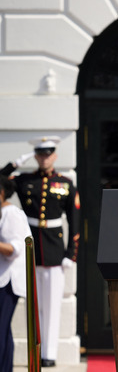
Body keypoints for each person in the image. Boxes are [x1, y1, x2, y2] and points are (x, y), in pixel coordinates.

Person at [0, 136, 80, 367]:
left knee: (52, 304)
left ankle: (49, 353)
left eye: (48, 154)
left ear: (54, 156)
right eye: (40, 154)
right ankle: (35, 349)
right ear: (35, 156)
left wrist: (70, 253)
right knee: (33, 306)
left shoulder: (65, 183)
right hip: (28, 247)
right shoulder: (24, 180)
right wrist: (16, 163)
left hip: (54, 250)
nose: (44, 158)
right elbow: (2, 179)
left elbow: (74, 219)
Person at [0, 175, 31, 372]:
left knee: (1, 331)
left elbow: (16, 248)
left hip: (7, 281)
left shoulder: (11, 213)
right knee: (3, 331)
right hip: (3, 279)